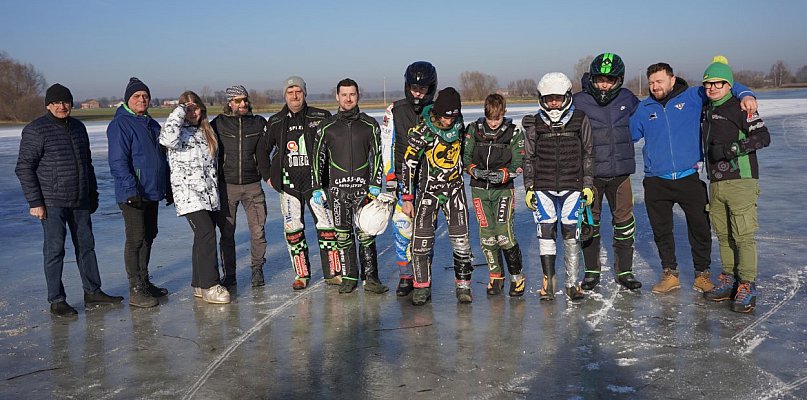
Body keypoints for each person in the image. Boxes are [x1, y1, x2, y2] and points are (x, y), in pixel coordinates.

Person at [630, 63, 757, 294]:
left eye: (659, 81)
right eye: (651, 83)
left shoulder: (693, 96)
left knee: (700, 228)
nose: (655, 86)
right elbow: (627, 135)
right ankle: (670, 274)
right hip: (656, 180)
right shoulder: (644, 108)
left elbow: (723, 85)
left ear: (672, 80)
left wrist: (746, 94)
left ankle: (702, 275)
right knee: (662, 231)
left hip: (689, 177)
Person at [16, 83, 123, 317]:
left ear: (71, 104)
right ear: (48, 105)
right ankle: (57, 300)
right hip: (52, 202)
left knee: (86, 247)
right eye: (56, 102)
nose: (61, 106)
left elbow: (87, 163)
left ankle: (93, 291)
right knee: (55, 250)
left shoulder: (78, 127)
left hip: (80, 200)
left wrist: (92, 194)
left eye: (65, 102)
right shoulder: (36, 130)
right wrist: (35, 202)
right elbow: (24, 167)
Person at [257, 76, 342, 290]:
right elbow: (261, 151)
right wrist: (268, 176)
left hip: (317, 185)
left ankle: (333, 272)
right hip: (289, 186)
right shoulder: (275, 121)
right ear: (285, 95)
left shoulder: (321, 116)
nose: (294, 96)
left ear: (305, 93)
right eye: (290, 92)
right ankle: (301, 274)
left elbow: (336, 145)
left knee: (327, 227)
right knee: (293, 231)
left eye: (298, 92)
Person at [699, 57, 770, 313]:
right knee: (723, 234)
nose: (712, 88)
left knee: (743, 236)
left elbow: (763, 137)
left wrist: (732, 149)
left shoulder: (740, 107)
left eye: (718, 83)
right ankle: (729, 278)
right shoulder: (707, 108)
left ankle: (747, 284)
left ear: (729, 85)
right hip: (716, 182)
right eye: (708, 84)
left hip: (741, 180)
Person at [572, 53, 642, 291]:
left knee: (624, 223)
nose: (604, 85)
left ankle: (625, 271)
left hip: (620, 173)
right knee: (590, 223)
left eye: (609, 80)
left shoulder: (627, 98)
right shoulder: (579, 101)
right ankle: (591, 272)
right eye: (600, 79)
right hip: (590, 176)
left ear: (619, 80)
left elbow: (650, 116)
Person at [311, 78, 388, 294]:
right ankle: (349, 277)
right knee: (343, 236)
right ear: (337, 97)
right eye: (344, 95)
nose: (348, 98)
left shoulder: (369, 124)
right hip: (338, 191)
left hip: (364, 191)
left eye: (352, 94)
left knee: (366, 235)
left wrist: (376, 183)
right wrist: (317, 186)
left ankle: (371, 279)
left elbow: (377, 155)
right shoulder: (327, 126)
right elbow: (317, 159)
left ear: (358, 96)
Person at [523, 72, 594, 301]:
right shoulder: (534, 123)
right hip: (543, 186)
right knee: (546, 232)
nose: (553, 103)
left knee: (571, 231)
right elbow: (529, 157)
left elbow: (588, 153)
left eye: (557, 98)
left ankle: (572, 283)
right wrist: (529, 187)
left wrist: (588, 184)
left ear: (567, 97)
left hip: (573, 185)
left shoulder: (580, 119)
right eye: (549, 98)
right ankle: (549, 282)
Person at [401, 87, 473, 305]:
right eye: (445, 117)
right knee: (421, 243)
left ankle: (463, 286)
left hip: (455, 190)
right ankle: (421, 286)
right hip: (429, 191)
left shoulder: (460, 125)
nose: (449, 121)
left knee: (461, 241)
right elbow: (409, 163)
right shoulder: (424, 130)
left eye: (453, 117)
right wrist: (407, 197)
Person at [159, 91, 230, 304]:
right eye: (187, 109)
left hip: (209, 195)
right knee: (206, 233)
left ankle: (199, 283)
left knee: (202, 236)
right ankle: (210, 285)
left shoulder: (205, 132)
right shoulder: (175, 132)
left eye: (195, 108)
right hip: (188, 195)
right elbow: (166, 139)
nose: (193, 113)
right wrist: (180, 110)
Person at [107, 77, 170, 308]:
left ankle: (144, 281)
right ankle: (136, 289)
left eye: (145, 96)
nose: (142, 99)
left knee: (149, 235)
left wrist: (167, 187)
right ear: (128, 100)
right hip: (133, 193)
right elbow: (118, 161)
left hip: (151, 191)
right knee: (136, 238)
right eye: (137, 96)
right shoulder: (121, 124)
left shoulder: (151, 123)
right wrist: (130, 189)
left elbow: (161, 159)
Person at [380, 61, 438, 296]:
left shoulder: (437, 112)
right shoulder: (394, 110)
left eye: (422, 89)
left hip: (430, 181)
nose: (417, 93)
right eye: (414, 88)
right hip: (402, 180)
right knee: (402, 231)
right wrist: (390, 178)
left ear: (430, 88)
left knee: (425, 233)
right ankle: (406, 276)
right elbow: (386, 145)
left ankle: (424, 275)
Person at [462, 93, 526, 296]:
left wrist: (505, 174)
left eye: (497, 118)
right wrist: (473, 170)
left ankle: (517, 277)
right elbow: (465, 157)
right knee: (487, 237)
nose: (493, 122)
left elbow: (519, 163)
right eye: (490, 118)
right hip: (479, 190)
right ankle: (495, 276)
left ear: (504, 113)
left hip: (503, 191)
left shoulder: (514, 132)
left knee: (504, 235)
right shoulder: (474, 129)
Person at [210, 85, 268, 288]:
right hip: (227, 186)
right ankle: (230, 274)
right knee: (227, 233)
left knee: (258, 231)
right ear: (230, 103)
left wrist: (269, 174)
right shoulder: (218, 124)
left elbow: (272, 148)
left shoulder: (258, 123)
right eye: (238, 100)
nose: (243, 103)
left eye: (245, 99)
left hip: (253, 185)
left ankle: (257, 269)